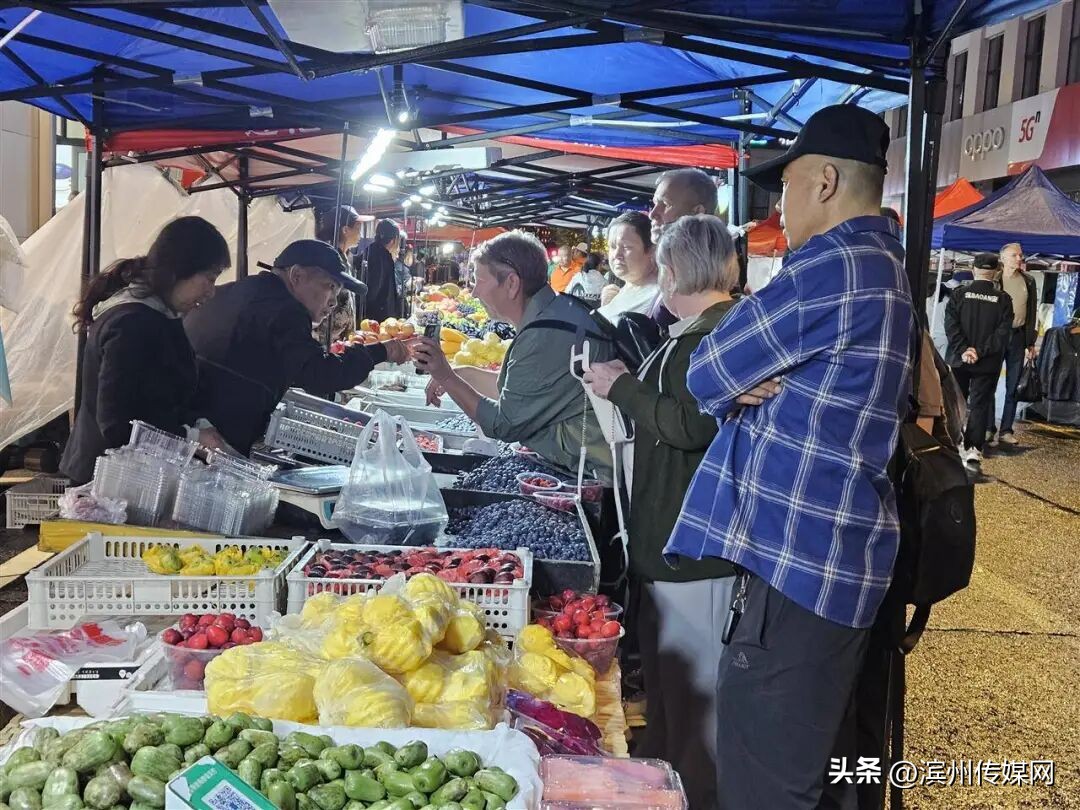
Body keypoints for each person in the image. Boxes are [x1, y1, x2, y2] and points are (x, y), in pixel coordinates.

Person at [664, 105, 915, 810]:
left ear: (825, 182)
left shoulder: (833, 265)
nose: (781, 205)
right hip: (839, 561)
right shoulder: (885, 266)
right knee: (825, 777)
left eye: (788, 185)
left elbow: (708, 368)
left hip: (799, 566)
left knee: (765, 782)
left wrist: (742, 382)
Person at [581, 215, 739, 810]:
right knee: (674, 703)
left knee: (698, 708)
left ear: (671, 271)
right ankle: (668, 790)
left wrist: (622, 386)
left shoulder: (710, 337)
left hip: (693, 556)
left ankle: (696, 797)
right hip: (672, 550)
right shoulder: (703, 332)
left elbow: (690, 424)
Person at [412, 230, 613, 479]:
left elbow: (503, 424)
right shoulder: (555, 311)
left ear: (511, 283)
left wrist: (446, 376)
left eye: (479, 280)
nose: (474, 293)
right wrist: (461, 374)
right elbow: (518, 392)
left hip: (593, 476)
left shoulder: (544, 335)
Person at [185, 240, 411, 455]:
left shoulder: (242, 291)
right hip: (212, 440)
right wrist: (382, 351)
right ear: (296, 276)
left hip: (192, 424)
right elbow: (320, 374)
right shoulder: (285, 310)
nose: (333, 302)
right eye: (330, 287)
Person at [61, 217, 231, 484]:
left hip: (130, 475)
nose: (211, 292)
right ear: (180, 269)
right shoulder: (131, 323)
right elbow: (118, 425)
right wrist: (192, 438)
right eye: (209, 279)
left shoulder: (159, 315)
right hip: (106, 482)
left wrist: (197, 424)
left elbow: (159, 399)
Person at [944, 252, 1014, 469]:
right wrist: (980, 352)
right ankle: (973, 448)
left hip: (959, 359)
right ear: (996, 272)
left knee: (955, 403)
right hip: (987, 362)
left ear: (973, 269)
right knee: (980, 404)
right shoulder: (1003, 299)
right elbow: (1002, 334)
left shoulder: (958, 294)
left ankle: (950, 443)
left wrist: (964, 350)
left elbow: (951, 326)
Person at [995, 242, 1038, 445]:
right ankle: (988, 427)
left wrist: (1031, 342)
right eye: (1014, 255)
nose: (1019, 258)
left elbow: (1032, 311)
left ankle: (1006, 430)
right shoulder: (995, 279)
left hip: (1019, 336)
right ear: (1002, 258)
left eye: (1020, 255)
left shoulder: (1028, 280)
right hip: (997, 336)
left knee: (1012, 386)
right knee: (989, 383)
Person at [597, 212, 662, 322]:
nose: (616, 254)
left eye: (626, 247)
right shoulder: (615, 294)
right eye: (612, 246)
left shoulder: (662, 299)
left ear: (652, 250)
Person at [314, 205, 364, 342]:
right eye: (358, 229)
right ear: (345, 230)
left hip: (342, 338)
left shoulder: (345, 257)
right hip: (327, 339)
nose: (361, 234)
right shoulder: (328, 259)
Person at [357, 219, 402, 323]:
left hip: (369, 314)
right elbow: (374, 289)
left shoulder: (370, 250)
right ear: (394, 239)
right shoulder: (382, 256)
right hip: (377, 316)